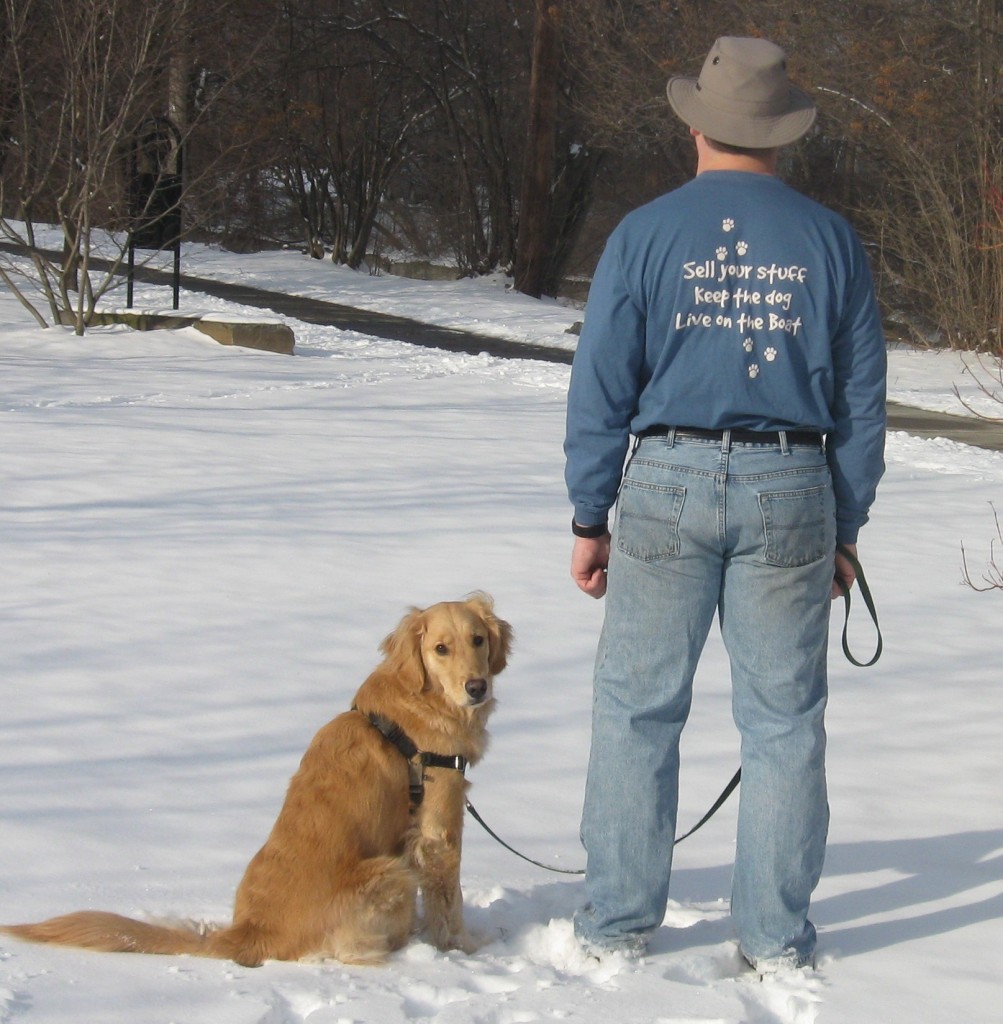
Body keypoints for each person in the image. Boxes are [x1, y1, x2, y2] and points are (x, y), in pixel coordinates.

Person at [563, 36, 886, 972]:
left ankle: (615, 926)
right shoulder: (830, 240)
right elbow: (859, 405)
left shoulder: (645, 232)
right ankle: (774, 940)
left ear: (697, 125)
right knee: (783, 722)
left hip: (664, 479)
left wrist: (591, 518)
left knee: (635, 710)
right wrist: (845, 527)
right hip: (793, 486)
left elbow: (600, 387)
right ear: (779, 134)